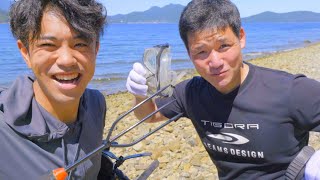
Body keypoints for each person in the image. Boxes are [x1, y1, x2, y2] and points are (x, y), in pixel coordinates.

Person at [126, 0, 320, 179]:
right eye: (201, 52)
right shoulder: (190, 93)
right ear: (189, 53)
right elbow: (149, 116)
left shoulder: (290, 90)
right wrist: (139, 94)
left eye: (224, 46)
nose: (215, 62)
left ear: (241, 38)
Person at [0, 0, 107, 179]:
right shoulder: (4, 127)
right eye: (48, 45)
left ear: (96, 49)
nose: (66, 60)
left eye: (80, 44)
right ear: (25, 52)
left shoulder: (97, 104)